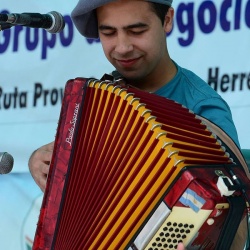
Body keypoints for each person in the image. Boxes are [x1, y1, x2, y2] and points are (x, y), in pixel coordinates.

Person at [28, 0, 247, 249]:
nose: (122, 47)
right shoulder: (99, 97)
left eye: (137, 30)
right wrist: (39, 159)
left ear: (167, 20)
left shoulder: (203, 109)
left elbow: (232, 225)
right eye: (108, 32)